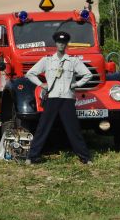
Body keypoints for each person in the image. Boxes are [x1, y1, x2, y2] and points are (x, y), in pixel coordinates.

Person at [25, 31, 93, 164]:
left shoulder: (73, 61)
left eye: (64, 43)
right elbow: (30, 73)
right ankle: (32, 157)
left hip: (67, 98)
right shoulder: (47, 60)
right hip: (52, 98)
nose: (61, 45)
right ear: (56, 44)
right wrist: (41, 85)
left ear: (67, 44)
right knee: (43, 128)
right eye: (59, 42)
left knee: (74, 130)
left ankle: (85, 158)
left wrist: (75, 84)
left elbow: (88, 74)